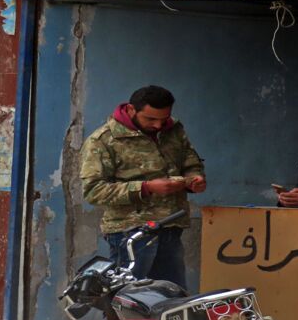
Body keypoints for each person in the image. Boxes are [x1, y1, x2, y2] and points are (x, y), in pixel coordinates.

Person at [79, 85, 205, 289]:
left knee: (172, 296)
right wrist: (146, 188)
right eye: (150, 119)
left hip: (170, 226)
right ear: (131, 109)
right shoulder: (103, 141)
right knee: (127, 297)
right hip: (130, 231)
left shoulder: (173, 130)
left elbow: (191, 163)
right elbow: (94, 191)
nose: (158, 125)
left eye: (163, 119)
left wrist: (194, 179)